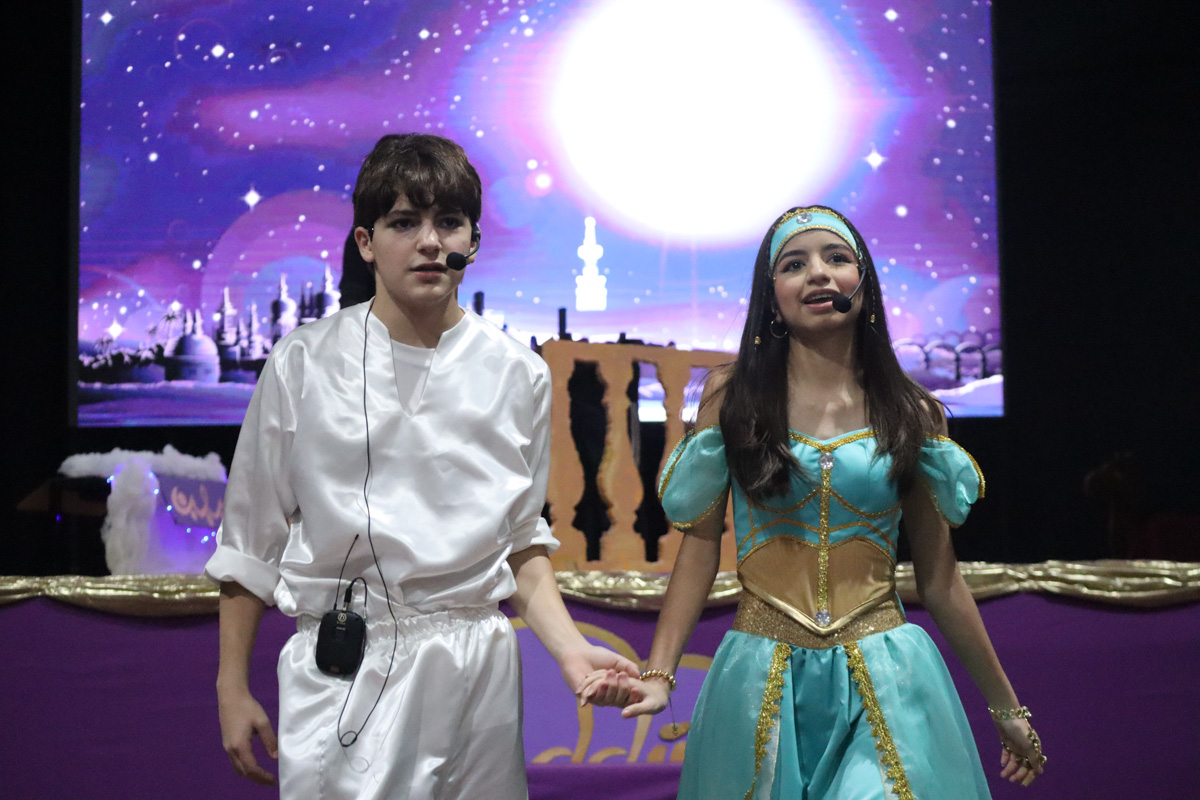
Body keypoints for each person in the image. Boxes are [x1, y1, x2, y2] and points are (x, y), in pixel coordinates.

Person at [207, 133, 639, 799]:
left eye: (449, 222)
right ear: (366, 242)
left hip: (479, 667)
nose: (431, 242)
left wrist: (569, 648)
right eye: (405, 223)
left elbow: (520, 543)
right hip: (348, 665)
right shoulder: (303, 362)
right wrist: (230, 686)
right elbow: (250, 542)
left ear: (473, 240)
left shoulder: (516, 372)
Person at [583, 206, 1045, 798]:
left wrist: (1007, 709)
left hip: (888, 675)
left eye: (837, 258)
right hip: (759, 678)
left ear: (863, 284)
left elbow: (940, 577)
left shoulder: (914, 413)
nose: (819, 273)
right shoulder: (732, 397)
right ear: (772, 299)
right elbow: (699, 548)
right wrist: (659, 674)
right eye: (794, 264)